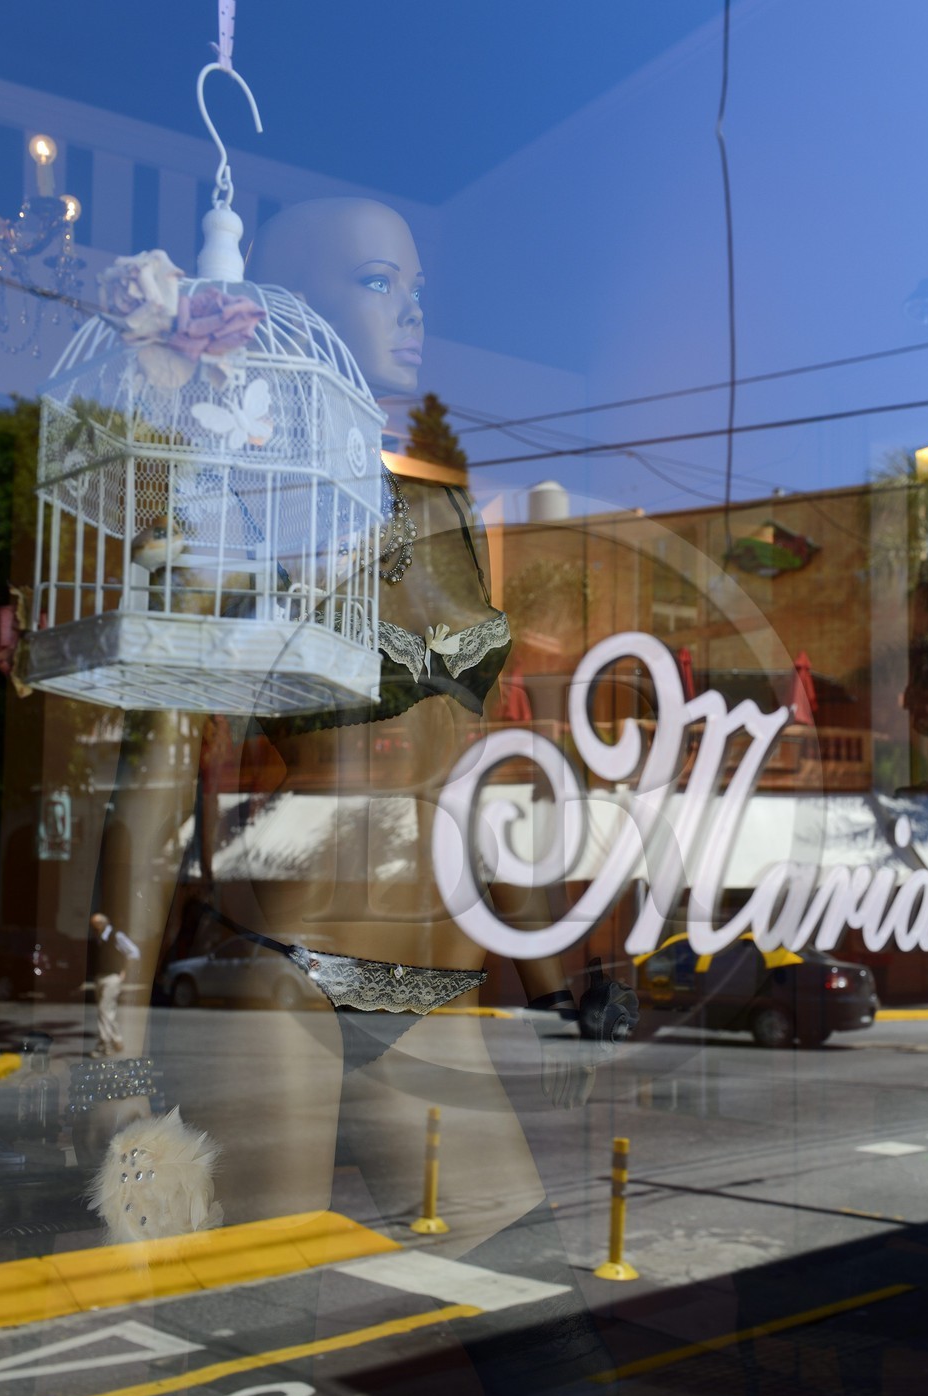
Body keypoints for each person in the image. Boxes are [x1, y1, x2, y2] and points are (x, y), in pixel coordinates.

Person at [86, 198, 635, 1246]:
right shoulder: (232, 507)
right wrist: (110, 1055)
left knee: (529, 1301)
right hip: (286, 966)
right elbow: (153, 786)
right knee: (268, 1308)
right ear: (294, 306)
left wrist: (554, 978)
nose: (414, 312)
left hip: (424, 981)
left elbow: (480, 770)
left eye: (416, 289)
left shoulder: (437, 515)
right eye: (380, 284)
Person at [88, 912, 140, 1058]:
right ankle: (117, 1039)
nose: (94, 928)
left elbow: (134, 952)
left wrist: (124, 972)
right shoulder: (98, 938)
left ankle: (104, 1045)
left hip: (112, 978)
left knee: (104, 1009)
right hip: (100, 977)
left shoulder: (116, 936)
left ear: (102, 924)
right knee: (107, 1012)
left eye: (96, 924)